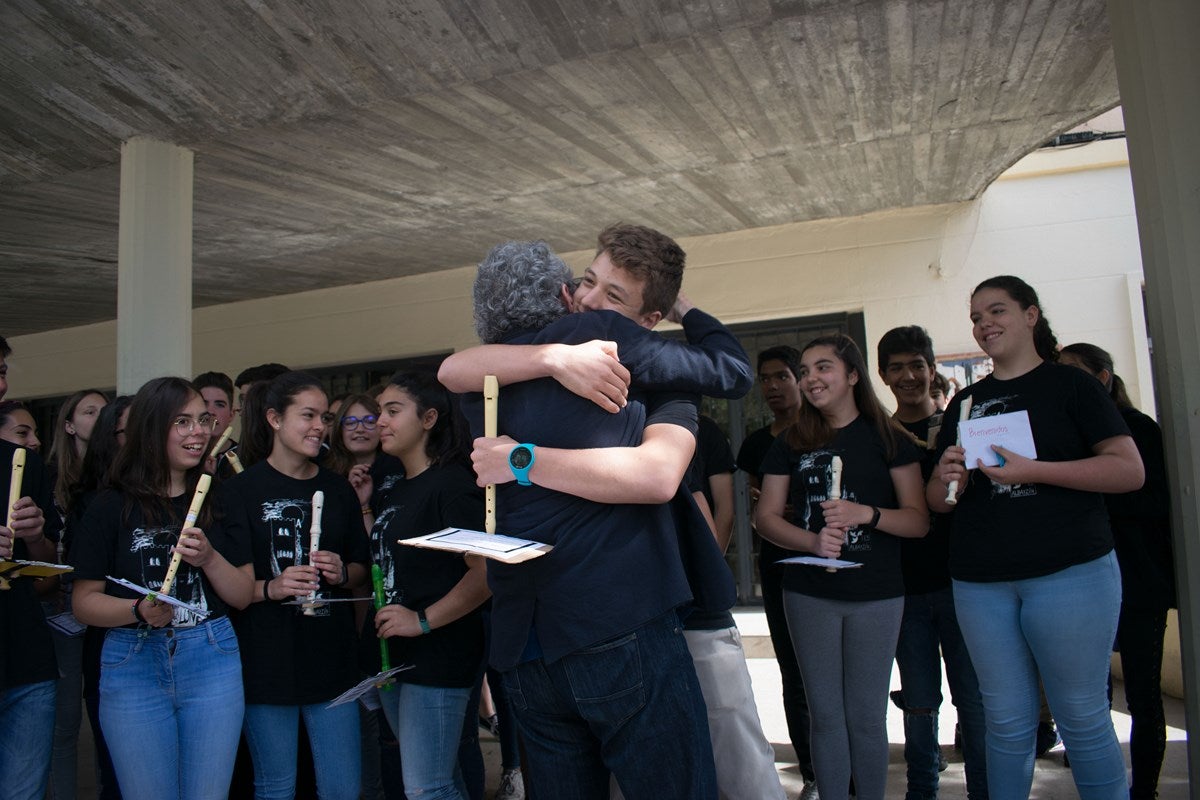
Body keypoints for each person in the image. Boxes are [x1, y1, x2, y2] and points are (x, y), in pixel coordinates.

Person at [448, 237, 756, 799]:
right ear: (565, 291)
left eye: (610, 293)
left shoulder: (485, 382)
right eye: (587, 281)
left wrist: (521, 459)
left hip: (525, 641)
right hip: (616, 621)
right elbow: (728, 374)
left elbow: (450, 368)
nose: (589, 300)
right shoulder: (607, 348)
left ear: (648, 318)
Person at [928, 276, 1144, 800]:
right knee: (1004, 723)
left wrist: (1035, 470)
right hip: (981, 582)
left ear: (1031, 315)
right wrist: (945, 477)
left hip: (1070, 573)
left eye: (996, 311)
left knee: (1082, 718)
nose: (984, 325)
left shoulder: (1073, 386)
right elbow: (940, 504)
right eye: (976, 317)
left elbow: (1128, 471)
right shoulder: (967, 403)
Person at [755, 333, 928, 800]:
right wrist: (812, 540)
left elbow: (917, 521)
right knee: (826, 714)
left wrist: (865, 515)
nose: (812, 379)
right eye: (806, 370)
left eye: (823, 367)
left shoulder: (889, 438)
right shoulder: (792, 440)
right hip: (809, 593)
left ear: (853, 375)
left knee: (868, 716)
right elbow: (765, 517)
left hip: (878, 593)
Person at [70, 377, 255, 799]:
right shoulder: (108, 506)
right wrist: (136, 610)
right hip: (131, 658)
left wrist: (209, 558)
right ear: (151, 429)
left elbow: (242, 594)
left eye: (203, 420)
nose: (199, 432)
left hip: (211, 657)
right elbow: (83, 603)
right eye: (182, 422)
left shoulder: (219, 499)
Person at [219, 371, 370, 800]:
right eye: (307, 415)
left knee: (342, 786)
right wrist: (274, 586)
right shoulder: (240, 492)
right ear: (274, 419)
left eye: (324, 417)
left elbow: (360, 567)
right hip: (266, 661)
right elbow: (231, 588)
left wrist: (341, 572)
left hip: (331, 659)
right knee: (275, 787)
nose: (319, 426)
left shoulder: (337, 489)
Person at [1059, 342, 1176, 800]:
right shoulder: (1069, 431)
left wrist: (1094, 487)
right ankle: (1099, 777)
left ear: (1102, 377)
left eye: (1076, 373)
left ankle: (1144, 788)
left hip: (1138, 579)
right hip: (1083, 577)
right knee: (1093, 692)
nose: (1067, 383)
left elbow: (1153, 499)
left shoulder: (1137, 429)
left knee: (1145, 695)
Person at [367, 371, 490, 800]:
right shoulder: (397, 489)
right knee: (440, 781)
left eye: (392, 410)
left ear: (429, 418)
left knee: (427, 788)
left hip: (438, 656)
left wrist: (421, 621)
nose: (378, 420)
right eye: (379, 410)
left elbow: (486, 574)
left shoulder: (452, 485)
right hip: (397, 659)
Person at [876, 325, 986, 799]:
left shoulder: (962, 430)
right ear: (882, 375)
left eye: (916, 365)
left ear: (931, 369)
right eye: (896, 367)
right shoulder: (879, 438)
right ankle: (922, 789)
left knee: (974, 700)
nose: (908, 376)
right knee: (919, 703)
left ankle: (985, 789)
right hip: (907, 586)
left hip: (966, 582)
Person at [734, 344, 818, 797]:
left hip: (830, 563)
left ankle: (844, 769)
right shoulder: (756, 445)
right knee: (794, 671)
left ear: (800, 379)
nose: (771, 386)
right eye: (764, 378)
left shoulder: (825, 433)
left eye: (781, 376)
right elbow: (754, 504)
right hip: (780, 564)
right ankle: (811, 773)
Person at [63, 396, 132, 800]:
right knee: (118, 774)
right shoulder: (94, 502)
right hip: (111, 648)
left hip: (179, 647)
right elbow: (84, 594)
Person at [0, 333, 59, 800]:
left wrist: (35, 537)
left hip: (25, 659)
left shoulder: (23, 462)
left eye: (1, 371)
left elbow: (44, 577)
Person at [49, 389, 109, 513]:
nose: (100, 417)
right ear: (70, 426)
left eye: (105, 411)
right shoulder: (51, 474)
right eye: (90, 412)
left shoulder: (116, 471)